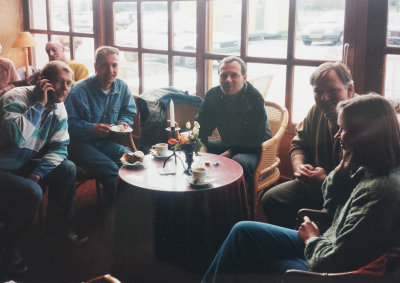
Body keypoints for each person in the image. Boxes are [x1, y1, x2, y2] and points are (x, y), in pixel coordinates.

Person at [201, 94, 400, 282]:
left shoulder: (379, 191)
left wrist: (311, 239)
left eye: (344, 129)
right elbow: (330, 205)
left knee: (255, 258)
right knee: (243, 231)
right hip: (327, 244)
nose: (337, 136)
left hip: (328, 270)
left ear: (366, 134)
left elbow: (334, 262)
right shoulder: (368, 167)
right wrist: (341, 170)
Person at [0, 60, 88, 275]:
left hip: (20, 164)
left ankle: (59, 228)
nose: (65, 89)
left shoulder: (59, 108)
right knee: (32, 191)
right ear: (43, 82)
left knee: (67, 168)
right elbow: (17, 136)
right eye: (60, 82)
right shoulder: (15, 97)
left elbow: (60, 148)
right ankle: (7, 247)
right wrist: (39, 104)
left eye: (69, 83)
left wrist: (37, 173)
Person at [262, 61, 355, 228]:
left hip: (347, 195)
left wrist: (325, 182)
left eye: (333, 91)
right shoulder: (316, 110)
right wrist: (299, 167)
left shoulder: (365, 116)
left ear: (350, 90)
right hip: (314, 185)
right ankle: (299, 242)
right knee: (272, 198)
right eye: (318, 91)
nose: (324, 98)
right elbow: (298, 144)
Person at [65, 46, 136, 202]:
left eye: (114, 65)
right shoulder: (78, 91)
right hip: (79, 144)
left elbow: (129, 112)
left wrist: (124, 123)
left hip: (106, 142)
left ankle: (129, 205)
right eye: (104, 65)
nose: (110, 70)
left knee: (132, 161)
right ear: (96, 66)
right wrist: (91, 128)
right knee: (110, 169)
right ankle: (120, 213)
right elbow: (67, 125)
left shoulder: (122, 87)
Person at [196, 56, 271, 200]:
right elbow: (201, 127)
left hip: (256, 150)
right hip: (228, 144)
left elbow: (253, 141)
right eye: (223, 75)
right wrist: (202, 149)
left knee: (238, 161)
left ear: (244, 77)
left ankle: (236, 204)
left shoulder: (254, 98)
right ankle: (199, 194)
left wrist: (222, 157)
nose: (228, 80)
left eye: (234, 75)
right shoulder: (213, 95)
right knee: (191, 148)